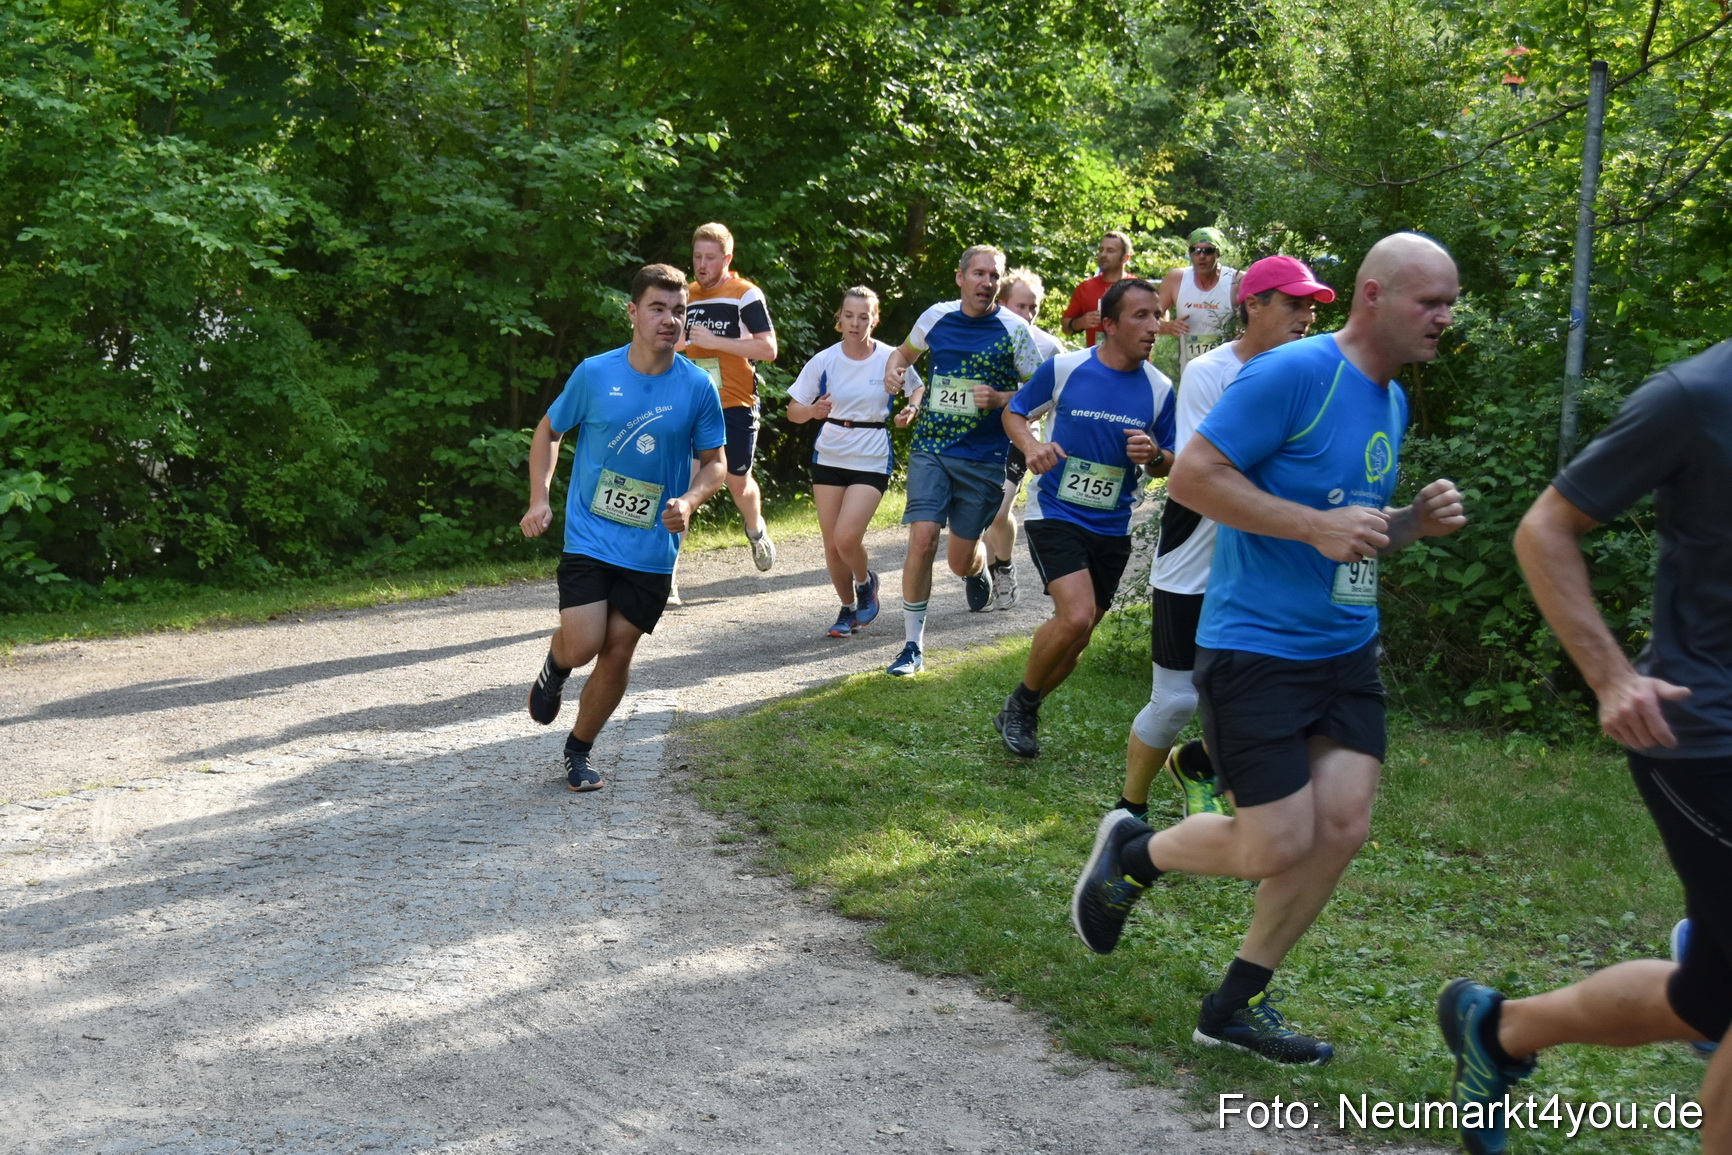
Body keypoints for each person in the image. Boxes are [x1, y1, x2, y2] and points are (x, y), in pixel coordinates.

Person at [1070, 233, 1467, 1066]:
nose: (1445, 315)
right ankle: (1133, 853)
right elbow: (1194, 478)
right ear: (1373, 295)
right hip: (1257, 648)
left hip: (1345, 647)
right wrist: (1316, 525)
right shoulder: (1293, 373)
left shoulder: (1389, 398)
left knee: (1344, 826)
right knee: (1275, 841)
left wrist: (1408, 527)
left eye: (1449, 301)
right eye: (1430, 300)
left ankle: (1235, 1003)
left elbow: (1346, 531)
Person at [1436, 337, 1732, 1155]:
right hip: (1704, 736)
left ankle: (1499, 1028)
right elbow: (1545, 528)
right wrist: (1610, 676)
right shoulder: (1696, 395)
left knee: (1708, 1000)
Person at [1120, 256, 1336, 821]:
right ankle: (1130, 808)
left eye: (1311, 306)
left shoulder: (1313, 374)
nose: (1307, 316)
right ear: (1252, 306)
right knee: (1175, 702)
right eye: (1294, 303)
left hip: (1267, 558)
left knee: (1274, 694)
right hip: (1197, 554)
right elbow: (1205, 476)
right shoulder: (1211, 372)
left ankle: (1200, 764)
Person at [520, 264, 726, 791]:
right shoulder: (595, 373)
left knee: (618, 649)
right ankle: (557, 662)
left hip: (654, 547)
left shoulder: (698, 386)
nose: (669, 320)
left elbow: (715, 462)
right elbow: (549, 431)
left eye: (679, 311)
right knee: (586, 641)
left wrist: (691, 498)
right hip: (590, 534)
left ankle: (579, 750)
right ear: (633, 312)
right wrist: (539, 498)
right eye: (657, 308)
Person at [995, 278, 1175, 757]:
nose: (1154, 326)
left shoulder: (1160, 389)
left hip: (1112, 524)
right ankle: (1021, 708)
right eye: (1141, 316)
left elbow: (1172, 461)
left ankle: (1024, 703)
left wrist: (1154, 454)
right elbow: (1015, 412)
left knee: (1078, 638)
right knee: (1074, 616)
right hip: (1055, 510)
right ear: (1109, 325)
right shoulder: (1066, 368)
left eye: (1157, 315)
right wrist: (1032, 446)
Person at [881, 245, 1042, 676]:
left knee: (957, 559)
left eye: (993, 276)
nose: (986, 283)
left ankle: (976, 570)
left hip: (985, 457)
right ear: (960, 278)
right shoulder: (936, 317)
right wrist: (892, 371)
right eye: (979, 274)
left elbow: (1043, 391)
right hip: (932, 447)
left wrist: (1003, 398)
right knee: (922, 539)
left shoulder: (1014, 329)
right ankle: (912, 646)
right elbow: (902, 354)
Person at [786, 287, 897, 638]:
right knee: (831, 543)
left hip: (871, 455)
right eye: (849, 315)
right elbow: (793, 412)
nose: (855, 322)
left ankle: (866, 583)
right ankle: (848, 609)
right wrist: (813, 410)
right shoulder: (824, 360)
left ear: (874, 320)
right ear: (839, 319)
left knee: (847, 537)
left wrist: (912, 407)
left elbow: (917, 388)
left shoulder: (891, 357)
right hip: (830, 454)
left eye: (863, 316)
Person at [678, 222, 779, 602]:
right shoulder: (686, 295)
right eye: (697, 257)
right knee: (684, 486)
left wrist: (715, 341)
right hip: (694, 406)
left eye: (710, 258)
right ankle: (667, 576)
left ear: (727, 258)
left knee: (737, 481)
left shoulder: (745, 294)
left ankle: (755, 530)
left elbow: (768, 349)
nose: (702, 265)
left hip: (735, 404)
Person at [984, 269, 1068, 611]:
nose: (1029, 314)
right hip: (976, 439)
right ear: (1002, 303)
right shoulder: (983, 337)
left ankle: (1001, 568)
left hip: (1018, 438)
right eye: (1021, 306)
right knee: (982, 513)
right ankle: (984, 574)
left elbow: (1066, 392)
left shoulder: (1049, 345)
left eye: (1034, 307)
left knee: (998, 510)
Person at [1157, 227, 1239, 376]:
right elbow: (1149, 321)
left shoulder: (1236, 280)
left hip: (1227, 371)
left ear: (1218, 253)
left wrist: (1242, 332)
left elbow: (1258, 320)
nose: (1201, 256)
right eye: (1195, 250)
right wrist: (1169, 327)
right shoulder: (1176, 279)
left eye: (1208, 251)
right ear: (1190, 254)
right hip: (1190, 373)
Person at [1061, 231, 1134, 348]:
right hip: (1098, 362)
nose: (1103, 255)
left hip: (1134, 361)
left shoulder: (1139, 287)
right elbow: (1065, 328)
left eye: (1110, 251)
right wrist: (1081, 322)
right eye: (1101, 250)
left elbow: (1157, 323)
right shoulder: (1086, 288)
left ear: (1125, 258)